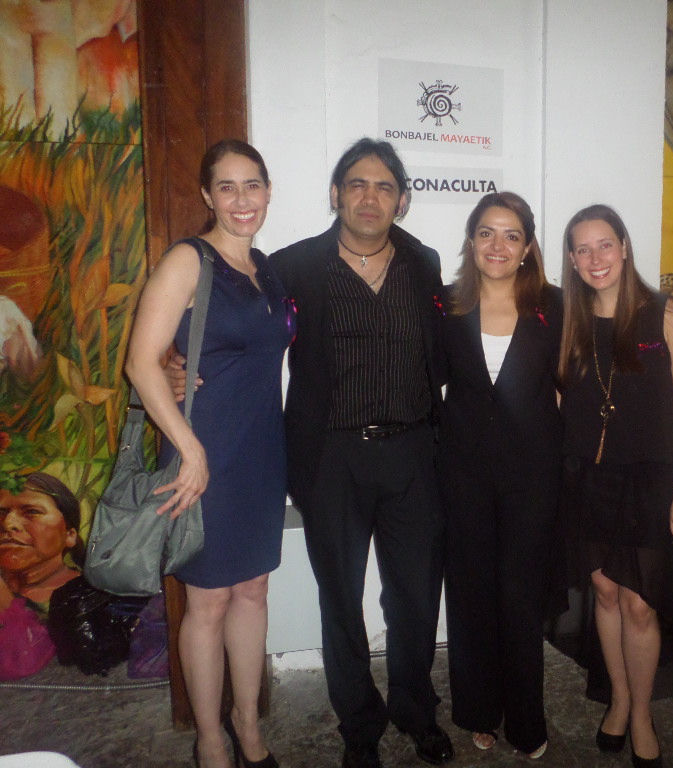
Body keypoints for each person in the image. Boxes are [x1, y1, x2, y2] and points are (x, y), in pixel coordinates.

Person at [270, 138, 452, 768]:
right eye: (357, 184)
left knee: (415, 596)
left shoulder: (423, 263)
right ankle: (359, 726)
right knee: (341, 598)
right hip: (331, 458)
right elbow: (244, 333)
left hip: (413, 454)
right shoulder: (294, 266)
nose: (370, 197)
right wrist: (181, 362)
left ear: (401, 200)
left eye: (384, 187)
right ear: (336, 194)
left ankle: (415, 708)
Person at [125, 139, 292, 768]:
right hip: (205, 452)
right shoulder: (187, 261)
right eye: (227, 186)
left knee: (253, 591)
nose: (242, 199)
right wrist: (190, 449)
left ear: (268, 191)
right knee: (208, 602)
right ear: (207, 196)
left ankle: (248, 725)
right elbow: (140, 364)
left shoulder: (266, 269)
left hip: (261, 451)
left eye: (253, 185)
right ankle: (210, 740)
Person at [558, 204, 673, 768]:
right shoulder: (568, 322)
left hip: (650, 482)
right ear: (572, 258)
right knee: (606, 594)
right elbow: (560, 402)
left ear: (624, 247)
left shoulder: (667, 315)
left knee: (641, 606)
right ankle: (617, 699)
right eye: (583, 248)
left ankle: (641, 712)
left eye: (605, 245)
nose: (595, 258)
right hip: (588, 481)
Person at [435, 192, 562, 759]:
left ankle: (526, 720)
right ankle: (479, 710)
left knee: (520, 598)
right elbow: (420, 376)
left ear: (528, 246)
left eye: (512, 235)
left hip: (533, 478)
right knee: (470, 596)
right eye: (487, 232)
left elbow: (576, 383)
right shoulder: (445, 305)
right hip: (462, 475)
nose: (498, 245)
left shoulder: (554, 307)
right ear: (471, 240)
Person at [0, 472, 83, 680]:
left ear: (70, 534)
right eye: (0, 513)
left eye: (31, 512)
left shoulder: (93, 600)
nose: (8, 524)